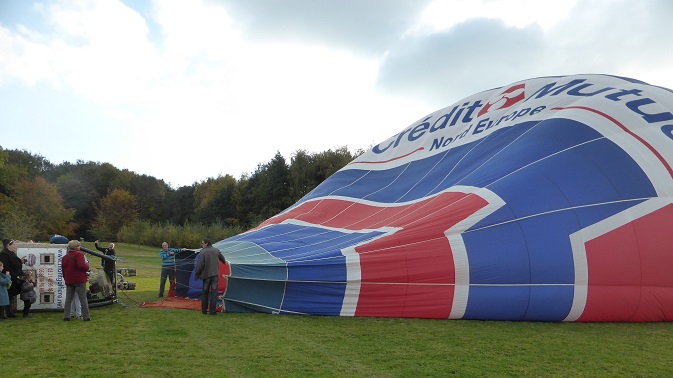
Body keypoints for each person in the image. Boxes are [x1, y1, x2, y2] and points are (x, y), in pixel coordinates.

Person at [195, 238, 227, 315]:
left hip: (206, 276)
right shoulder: (216, 250)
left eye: (202, 243)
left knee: (205, 293)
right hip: (215, 275)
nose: (201, 244)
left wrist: (197, 274)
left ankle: (204, 310)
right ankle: (213, 311)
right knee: (214, 293)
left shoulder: (203, 252)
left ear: (206, 243)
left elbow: (200, 265)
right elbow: (223, 259)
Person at [61, 240, 91, 321]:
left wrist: (66, 278)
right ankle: (86, 316)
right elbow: (81, 266)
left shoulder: (64, 257)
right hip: (79, 279)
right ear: (76, 247)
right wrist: (87, 267)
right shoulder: (79, 255)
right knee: (82, 299)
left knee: (68, 299)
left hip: (69, 280)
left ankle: (66, 316)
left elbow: (63, 270)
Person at [0, 239, 24, 318]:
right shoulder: (4, 254)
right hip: (9, 276)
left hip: (13, 276)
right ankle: (7, 312)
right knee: (7, 295)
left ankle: (9, 311)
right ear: (8, 245)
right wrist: (12, 275)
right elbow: (6, 266)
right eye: (13, 244)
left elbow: (14, 263)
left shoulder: (11, 253)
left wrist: (20, 261)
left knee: (10, 295)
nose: (14, 246)